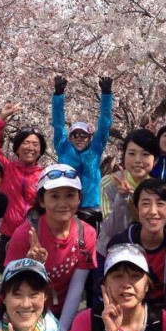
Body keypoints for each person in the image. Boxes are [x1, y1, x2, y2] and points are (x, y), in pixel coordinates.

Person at [5, 164, 97, 330]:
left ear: (79, 198)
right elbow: (9, 287)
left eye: (70, 195)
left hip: (59, 314)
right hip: (22, 312)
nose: (63, 203)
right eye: (54, 196)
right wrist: (30, 266)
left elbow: (76, 289)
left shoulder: (86, 234)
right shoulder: (26, 234)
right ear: (42, 201)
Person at [95, 129, 159, 305]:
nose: (138, 160)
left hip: (142, 255)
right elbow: (111, 229)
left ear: (155, 160)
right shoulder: (109, 182)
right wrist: (122, 198)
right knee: (107, 305)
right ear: (123, 156)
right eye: (132, 153)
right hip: (110, 253)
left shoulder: (156, 187)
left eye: (145, 154)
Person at [0, 106, 46, 273]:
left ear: (40, 150)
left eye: (35, 144)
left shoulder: (45, 175)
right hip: (9, 236)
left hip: (37, 237)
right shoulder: (6, 169)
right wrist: (1, 118)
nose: (30, 147)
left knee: (34, 279)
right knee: (8, 280)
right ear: (17, 148)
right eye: (26, 143)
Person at [106, 178, 166, 312]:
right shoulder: (120, 244)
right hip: (129, 313)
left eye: (160, 204)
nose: (153, 211)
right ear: (136, 208)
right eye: (146, 204)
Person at [52, 75, 114, 230]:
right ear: (70, 137)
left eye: (83, 135)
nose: (79, 138)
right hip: (66, 205)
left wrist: (106, 95)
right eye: (75, 135)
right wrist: (58, 95)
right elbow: (58, 124)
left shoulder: (95, 149)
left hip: (91, 206)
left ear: (90, 137)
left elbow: (104, 124)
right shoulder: (63, 147)